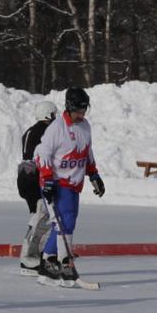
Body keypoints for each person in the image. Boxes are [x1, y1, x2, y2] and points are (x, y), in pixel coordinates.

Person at [34, 87, 105, 287]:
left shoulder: (85, 126)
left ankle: (47, 263)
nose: (82, 115)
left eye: (84, 110)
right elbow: (42, 154)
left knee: (64, 224)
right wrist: (47, 179)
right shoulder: (57, 128)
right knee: (66, 221)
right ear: (69, 107)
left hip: (74, 183)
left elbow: (87, 152)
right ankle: (65, 264)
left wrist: (94, 175)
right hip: (56, 182)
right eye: (78, 111)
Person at [15, 100, 58, 276]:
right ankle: (28, 258)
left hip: (24, 176)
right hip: (34, 177)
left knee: (38, 214)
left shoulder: (29, 131)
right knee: (41, 215)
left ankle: (35, 254)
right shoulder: (46, 131)